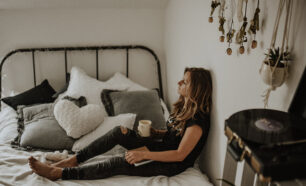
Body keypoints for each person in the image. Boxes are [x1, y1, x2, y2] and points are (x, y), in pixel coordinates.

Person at [28, 67, 213, 180]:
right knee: (119, 132)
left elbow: (180, 155)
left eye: (186, 81)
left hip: (171, 163)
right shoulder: (183, 108)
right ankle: (73, 161)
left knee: (120, 162)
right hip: (160, 148)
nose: (180, 82)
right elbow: (175, 137)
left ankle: (59, 174)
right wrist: (157, 133)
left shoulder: (198, 121)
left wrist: (142, 154)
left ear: (195, 89)